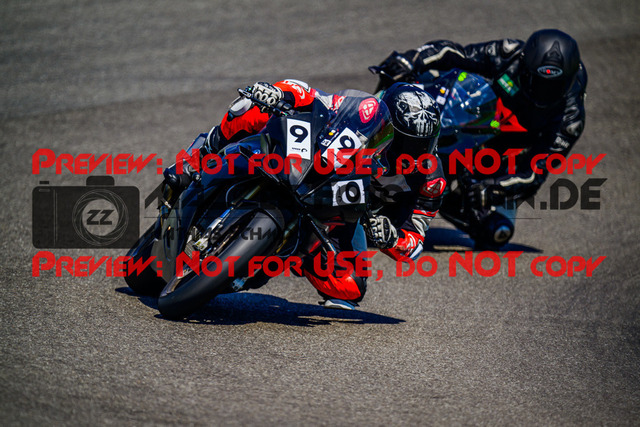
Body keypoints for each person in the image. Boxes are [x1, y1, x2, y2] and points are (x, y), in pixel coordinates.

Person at [373, 29, 587, 248]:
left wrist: (493, 188)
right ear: (525, 67)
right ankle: (379, 135)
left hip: (508, 158)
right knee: (410, 78)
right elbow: (454, 53)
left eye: (555, 86)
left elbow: (535, 172)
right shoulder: (509, 54)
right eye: (539, 82)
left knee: (496, 231)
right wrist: (411, 60)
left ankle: (438, 201)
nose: (545, 92)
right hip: (479, 120)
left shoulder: (570, 120)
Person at [365, 83, 445, 262]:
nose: (413, 156)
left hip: (370, 219)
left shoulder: (432, 181)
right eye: (406, 144)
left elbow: (414, 245)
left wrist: (393, 239)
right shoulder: (360, 132)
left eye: (423, 145)